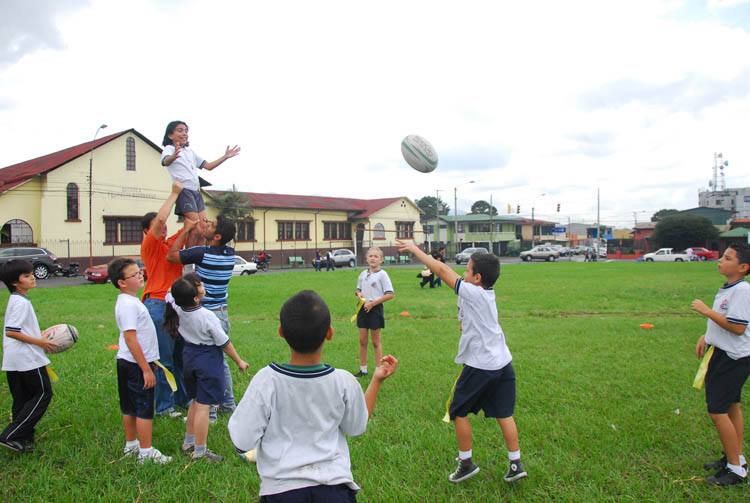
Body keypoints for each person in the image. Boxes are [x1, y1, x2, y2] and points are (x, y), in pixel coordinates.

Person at [228, 290, 398, 501]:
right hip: (335, 490)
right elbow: (357, 427)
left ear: (281, 332)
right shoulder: (344, 381)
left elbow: (242, 440)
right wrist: (376, 380)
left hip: (281, 492)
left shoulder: (266, 381)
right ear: (330, 333)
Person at [397, 239, 527, 484]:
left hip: (482, 365)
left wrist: (415, 250)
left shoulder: (474, 291)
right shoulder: (484, 293)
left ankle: (466, 463)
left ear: (477, 278)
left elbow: (443, 271)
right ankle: (515, 462)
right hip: (502, 363)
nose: (462, 273)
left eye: (467, 270)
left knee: (457, 411)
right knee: (504, 413)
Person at [163, 273, 249, 462]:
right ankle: (200, 452)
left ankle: (189, 442)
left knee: (195, 401)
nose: (202, 285)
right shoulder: (207, 316)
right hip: (207, 359)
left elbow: (169, 293)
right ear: (196, 297)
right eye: (198, 285)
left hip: (189, 356)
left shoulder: (176, 306)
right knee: (203, 406)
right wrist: (239, 361)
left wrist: (179, 286)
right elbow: (224, 342)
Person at [166, 215, 237, 422]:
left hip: (206, 315)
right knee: (219, 361)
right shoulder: (229, 253)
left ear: (217, 236)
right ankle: (227, 404)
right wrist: (202, 229)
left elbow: (171, 256)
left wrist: (187, 230)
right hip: (222, 313)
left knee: (208, 364)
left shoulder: (203, 253)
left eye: (212, 225)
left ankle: (212, 410)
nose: (208, 224)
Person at [690, 242, 750, 486]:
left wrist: (705, 311)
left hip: (733, 358)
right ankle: (735, 457)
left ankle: (736, 471)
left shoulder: (742, 291)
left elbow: (738, 327)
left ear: (743, 267)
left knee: (718, 410)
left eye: (727, 258)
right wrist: (708, 335)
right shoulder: (730, 287)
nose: (720, 260)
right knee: (733, 406)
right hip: (724, 353)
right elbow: (726, 321)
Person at [107, 257, 172, 464]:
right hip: (136, 365)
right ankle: (145, 452)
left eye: (140, 271)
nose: (140, 275)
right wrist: (146, 369)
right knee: (143, 409)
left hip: (128, 362)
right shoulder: (128, 305)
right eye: (134, 275)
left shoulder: (130, 301)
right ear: (122, 283)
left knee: (130, 407)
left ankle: (131, 445)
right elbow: (130, 337)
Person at [140, 180, 190, 418]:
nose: (164, 229)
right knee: (165, 360)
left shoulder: (171, 246)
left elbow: (190, 225)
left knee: (180, 357)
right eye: (157, 228)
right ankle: (163, 407)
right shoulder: (150, 246)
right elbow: (160, 221)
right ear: (146, 232)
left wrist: (190, 201)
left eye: (166, 227)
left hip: (177, 306)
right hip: (158, 305)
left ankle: (181, 400)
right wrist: (173, 193)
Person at [0, 260, 56, 453]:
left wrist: (37, 332)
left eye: (31, 273)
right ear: (15, 282)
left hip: (14, 358)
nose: (32, 277)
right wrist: (40, 342)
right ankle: (12, 434)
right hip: (27, 359)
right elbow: (11, 331)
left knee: (22, 398)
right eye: (26, 275)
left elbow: (18, 328)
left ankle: (21, 437)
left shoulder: (16, 299)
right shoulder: (21, 303)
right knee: (42, 394)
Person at [161, 120, 240, 248]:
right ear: (170, 135)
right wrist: (174, 156)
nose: (184, 133)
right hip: (184, 191)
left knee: (204, 229)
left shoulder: (190, 152)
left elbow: (208, 166)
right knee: (195, 228)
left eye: (186, 131)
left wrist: (225, 157)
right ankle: (188, 261)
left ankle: (200, 258)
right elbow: (165, 162)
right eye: (180, 130)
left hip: (196, 192)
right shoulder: (169, 149)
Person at [354, 247, 394, 378]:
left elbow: (390, 294)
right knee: (362, 340)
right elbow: (358, 290)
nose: (373, 258)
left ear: (381, 259)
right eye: (370, 256)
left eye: (376, 256)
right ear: (366, 259)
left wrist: (373, 303)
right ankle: (363, 369)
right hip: (362, 308)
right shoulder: (362, 274)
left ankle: (378, 369)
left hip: (375, 309)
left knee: (376, 341)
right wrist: (359, 294)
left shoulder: (383, 275)